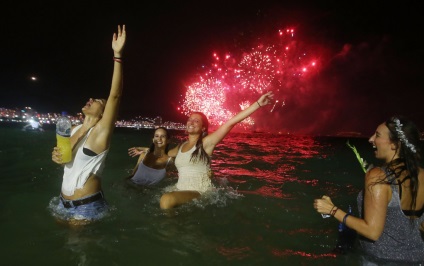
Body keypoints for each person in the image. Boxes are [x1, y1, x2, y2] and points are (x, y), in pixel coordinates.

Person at [314, 116, 424, 264]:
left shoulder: (378, 176)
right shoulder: (422, 174)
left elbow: (372, 232)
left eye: (377, 135)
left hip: (380, 260)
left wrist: (332, 210)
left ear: (395, 145)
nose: (371, 139)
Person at [50, 25, 126, 226]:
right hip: (62, 204)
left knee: (77, 251)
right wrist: (56, 156)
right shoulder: (74, 128)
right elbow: (63, 159)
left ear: (103, 113)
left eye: (98, 101)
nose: (91, 99)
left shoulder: (101, 132)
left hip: (87, 206)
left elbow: (115, 95)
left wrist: (117, 55)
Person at [159, 91, 274, 209]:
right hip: (179, 189)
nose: (191, 122)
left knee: (166, 199)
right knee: (164, 196)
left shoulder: (206, 143)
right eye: (190, 119)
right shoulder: (181, 146)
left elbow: (230, 123)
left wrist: (258, 104)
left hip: (199, 191)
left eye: (196, 121)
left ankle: (170, 227)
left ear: (203, 128)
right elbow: (163, 154)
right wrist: (146, 150)